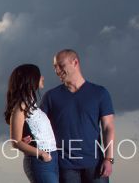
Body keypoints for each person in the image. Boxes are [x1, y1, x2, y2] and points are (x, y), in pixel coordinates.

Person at [40, 49, 115, 183]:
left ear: (75, 62)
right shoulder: (50, 97)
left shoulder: (100, 93)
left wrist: (108, 159)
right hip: (64, 166)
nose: (57, 71)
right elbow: (39, 127)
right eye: (54, 67)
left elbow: (108, 127)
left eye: (61, 65)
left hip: (95, 164)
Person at [5, 63, 60, 183]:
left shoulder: (32, 105)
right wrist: (42, 154)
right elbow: (16, 142)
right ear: (30, 79)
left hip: (52, 159)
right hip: (40, 161)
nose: (43, 77)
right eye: (39, 75)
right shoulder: (20, 107)